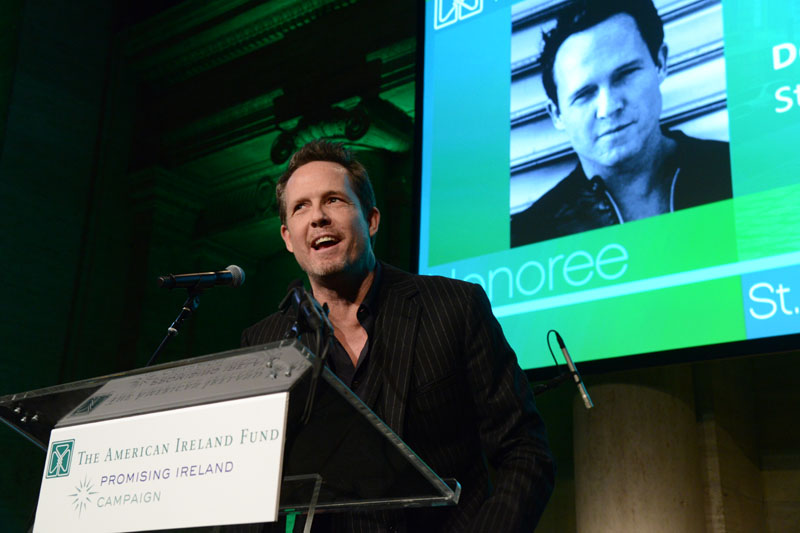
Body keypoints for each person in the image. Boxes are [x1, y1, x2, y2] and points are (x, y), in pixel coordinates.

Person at [242, 140, 554, 532]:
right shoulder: (265, 343)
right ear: (288, 238)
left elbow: (525, 451)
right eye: (301, 206)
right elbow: (251, 484)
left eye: (334, 200)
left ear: (372, 219)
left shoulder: (455, 307)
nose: (318, 217)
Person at [511, 0, 732, 247]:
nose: (609, 108)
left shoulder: (738, 171)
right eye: (584, 94)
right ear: (557, 115)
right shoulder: (527, 238)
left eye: (625, 74)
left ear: (660, 63)